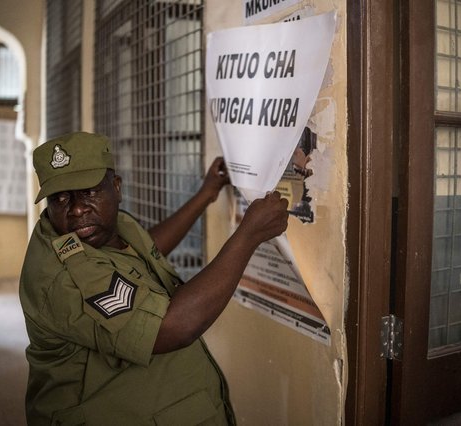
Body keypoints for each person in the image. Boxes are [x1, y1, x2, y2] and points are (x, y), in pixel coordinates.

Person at [19, 131, 289, 425]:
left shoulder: (108, 229)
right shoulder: (65, 276)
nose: (77, 209)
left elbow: (147, 247)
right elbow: (171, 328)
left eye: (89, 192)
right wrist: (249, 235)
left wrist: (205, 194)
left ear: (117, 188)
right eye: (61, 198)